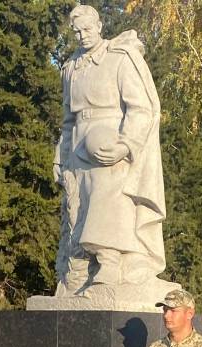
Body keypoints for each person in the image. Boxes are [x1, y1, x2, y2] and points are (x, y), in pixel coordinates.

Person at [53, 4, 167, 291]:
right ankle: (78, 272)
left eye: (87, 29)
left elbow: (141, 108)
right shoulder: (70, 69)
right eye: (77, 31)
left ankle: (111, 262)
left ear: (100, 26)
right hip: (79, 142)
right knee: (76, 208)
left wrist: (126, 145)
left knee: (107, 198)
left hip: (111, 143)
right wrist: (60, 157)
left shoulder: (119, 59)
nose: (82, 36)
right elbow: (67, 121)